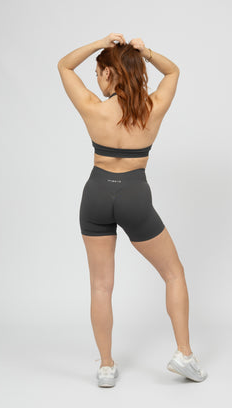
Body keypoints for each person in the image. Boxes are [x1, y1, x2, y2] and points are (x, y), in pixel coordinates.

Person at [57, 33, 207, 387]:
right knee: (173, 273)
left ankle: (106, 367)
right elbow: (173, 72)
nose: (96, 78)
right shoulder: (151, 108)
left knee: (100, 286)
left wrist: (99, 44)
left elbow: (64, 65)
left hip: (96, 194)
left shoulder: (93, 108)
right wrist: (146, 52)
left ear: (110, 73)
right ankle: (184, 354)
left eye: (99, 72)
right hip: (134, 195)